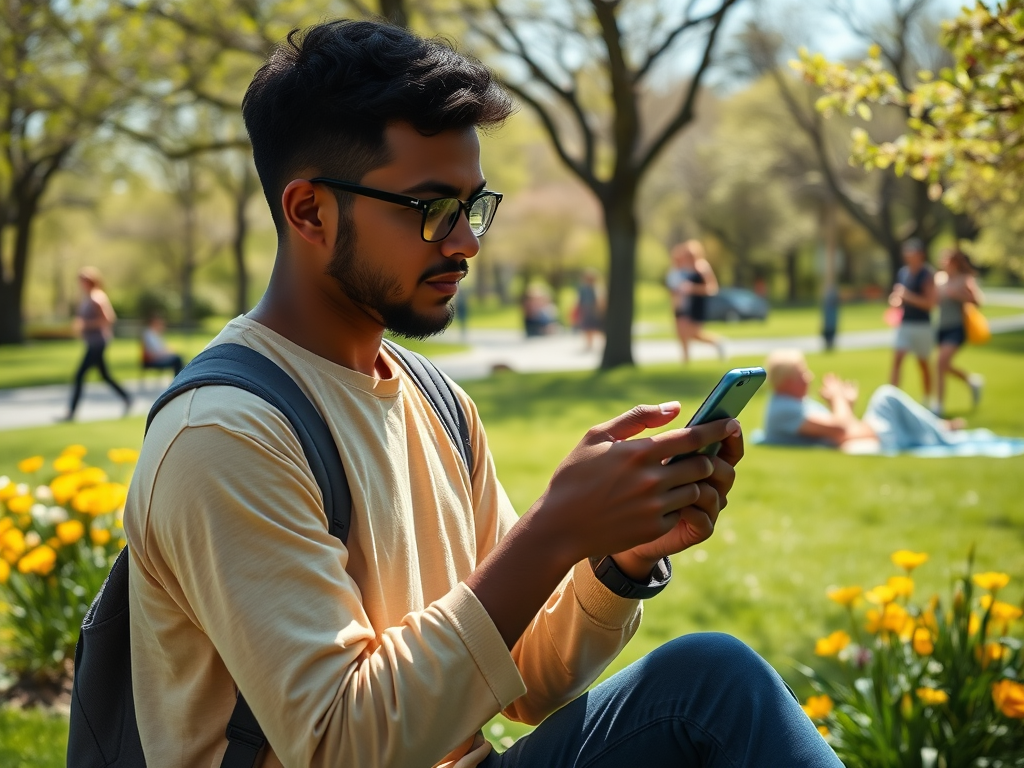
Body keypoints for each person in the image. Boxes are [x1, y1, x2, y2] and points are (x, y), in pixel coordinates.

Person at [123, 20, 839, 768]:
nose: (465, 240)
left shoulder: (435, 399)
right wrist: (551, 534)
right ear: (309, 211)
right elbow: (342, 744)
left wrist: (616, 561)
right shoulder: (224, 435)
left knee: (707, 686)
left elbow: (524, 679)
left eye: (473, 205)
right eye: (431, 207)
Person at [762, 348, 969, 453]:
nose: (809, 377)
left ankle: (938, 428)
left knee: (887, 397)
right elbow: (841, 428)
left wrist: (846, 404)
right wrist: (838, 400)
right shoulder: (783, 409)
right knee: (886, 395)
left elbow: (841, 426)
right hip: (875, 437)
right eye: (802, 373)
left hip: (868, 432)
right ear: (787, 382)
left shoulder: (792, 403)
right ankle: (941, 432)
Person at [61, 266, 131, 421]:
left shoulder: (96, 298)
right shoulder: (88, 298)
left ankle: (71, 412)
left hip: (97, 343)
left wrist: (86, 325)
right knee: (104, 375)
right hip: (92, 342)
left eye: (84, 280)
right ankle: (127, 398)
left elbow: (108, 319)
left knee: (79, 375)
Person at [935, 248, 985, 414]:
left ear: (955, 262)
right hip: (941, 326)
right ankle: (971, 381)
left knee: (940, 363)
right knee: (942, 365)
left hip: (957, 327)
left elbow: (977, 301)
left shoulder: (964, 279)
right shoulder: (939, 279)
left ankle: (938, 406)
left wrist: (959, 295)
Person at [888, 238, 937, 404]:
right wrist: (897, 300)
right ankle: (892, 400)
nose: (908, 255)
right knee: (897, 359)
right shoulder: (903, 272)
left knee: (923, 363)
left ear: (920, 254)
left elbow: (930, 304)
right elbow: (899, 298)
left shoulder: (927, 274)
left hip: (922, 325)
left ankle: (927, 400)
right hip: (905, 323)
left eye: (912, 252)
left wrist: (907, 296)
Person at [666, 239, 726, 363]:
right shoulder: (684, 268)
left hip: (696, 305)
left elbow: (712, 288)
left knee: (693, 334)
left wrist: (693, 288)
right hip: (682, 305)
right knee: (681, 334)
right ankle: (685, 360)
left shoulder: (702, 267)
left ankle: (717, 342)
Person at [574, 267, 604, 351]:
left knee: (597, 328)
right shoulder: (582, 288)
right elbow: (579, 300)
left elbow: (599, 300)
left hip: (594, 310)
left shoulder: (597, 288)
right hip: (586, 309)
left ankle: (600, 344)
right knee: (587, 328)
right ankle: (589, 344)